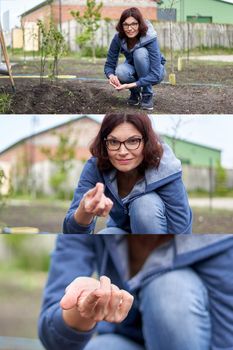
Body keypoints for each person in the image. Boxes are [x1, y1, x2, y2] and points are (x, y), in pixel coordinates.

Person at [38, 233, 233, 350]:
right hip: (126, 341)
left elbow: (227, 339)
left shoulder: (220, 241)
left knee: (168, 289)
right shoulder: (91, 218)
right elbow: (55, 341)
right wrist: (82, 307)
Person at [63, 113, 192, 234]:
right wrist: (85, 211)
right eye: (113, 142)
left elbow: (181, 232)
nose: (122, 151)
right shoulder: (96, 166)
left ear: (146, 141)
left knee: (144, 205)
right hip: (122, 233)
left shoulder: (165, 168)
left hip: (161, 243)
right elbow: (70, 233)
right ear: (104, 143)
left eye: (133, 141)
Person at [104, 7, 166, 111]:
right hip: (135, 70)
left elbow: (155, 74)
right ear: (121, 25)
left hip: (155, 73)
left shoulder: (149, 37)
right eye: (126, 24)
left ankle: (147, 94)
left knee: (140, 53)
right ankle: (135, 92)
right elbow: (109, 65)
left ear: (140, 24)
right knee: (120, 71)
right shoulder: (118, 38)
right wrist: (111, 76)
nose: (130, 28)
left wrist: (128, 85)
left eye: (134, 24)